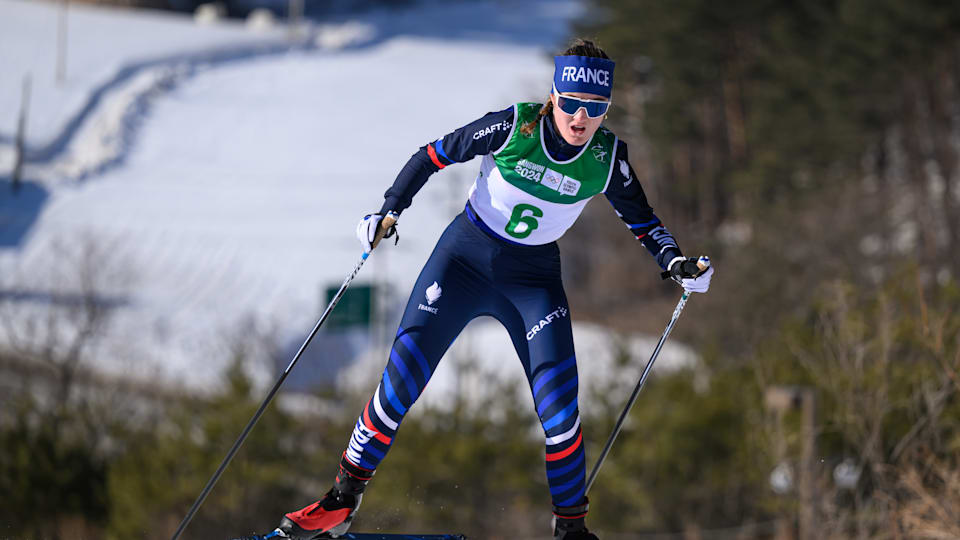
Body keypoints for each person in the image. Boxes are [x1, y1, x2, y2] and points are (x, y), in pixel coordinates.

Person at [243, 38, 713, 540]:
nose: (581, 118)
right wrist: (389, 210)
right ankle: (341, 500)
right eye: (572, 103)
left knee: (560, 411)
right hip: (464, 261)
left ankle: (571, 528)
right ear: (554, 96)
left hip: (532, 281)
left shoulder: (606, 157)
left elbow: (644, 221)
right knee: (400, 382)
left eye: (595, 108)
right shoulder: (515, 126)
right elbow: (431, 155)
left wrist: (675, 263)